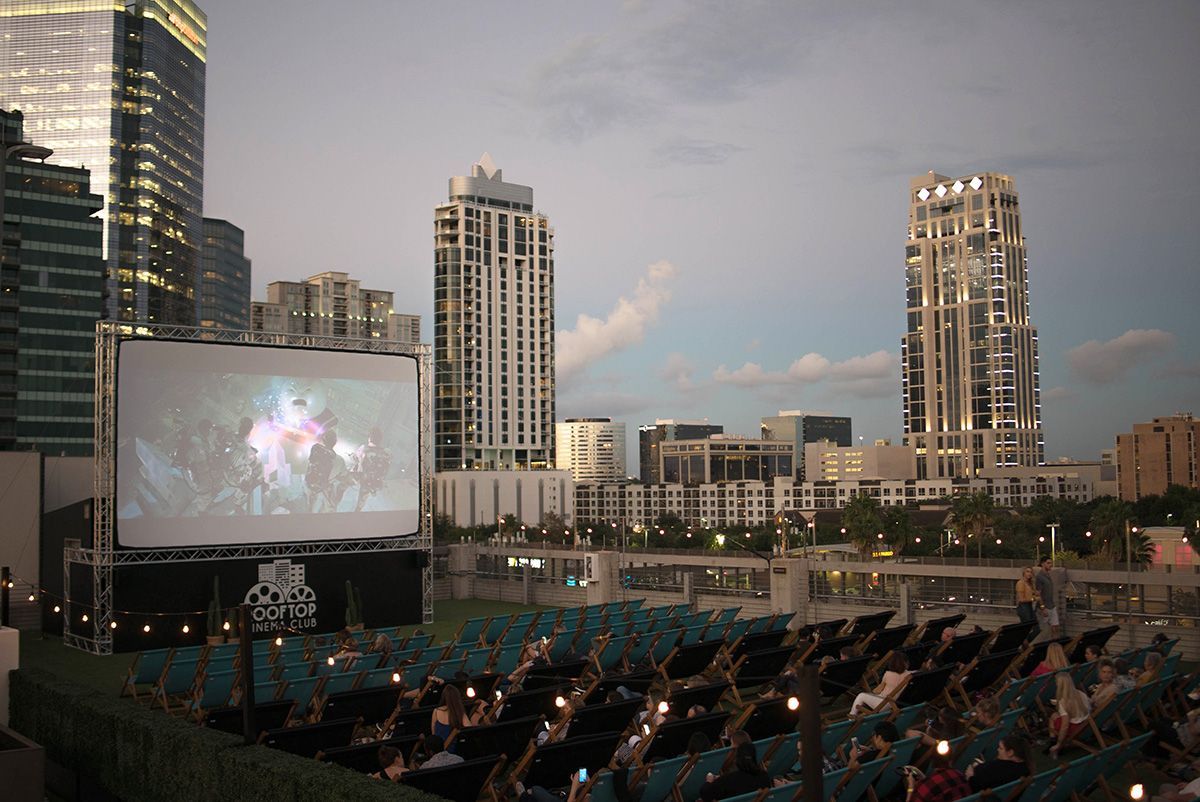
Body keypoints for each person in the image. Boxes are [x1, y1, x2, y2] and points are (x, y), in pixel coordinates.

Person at [699, 742, 770, 801]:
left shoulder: (728, 780)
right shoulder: (764, 776)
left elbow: (705, 793)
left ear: (737, 759)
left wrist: (709, 781)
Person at [966, 734, 1032, 792]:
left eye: (1000, 748)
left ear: (1010, 752)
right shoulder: (1025, 769)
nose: (997, 749)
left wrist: (970, 776)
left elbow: (975, 786)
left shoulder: (998, 768)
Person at [1048, 674, 1091, 758]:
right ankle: (1053, 742)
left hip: (1075, 728)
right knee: (1054, 715)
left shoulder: (1063, 701)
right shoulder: (1080, 693)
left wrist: (1059, 743)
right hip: (1086, 725)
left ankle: (1054, 744)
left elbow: (1065, 726)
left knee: (1053, 719)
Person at [906, 748, 971, 802]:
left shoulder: (925, 787)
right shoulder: (960, 776)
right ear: (950, 759)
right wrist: (924, 779)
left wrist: (911, 787)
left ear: (932, 761)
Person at [352, 427, 392, 512]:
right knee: (361, 503)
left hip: (361, 479)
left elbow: (354, 458)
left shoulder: (363, 449)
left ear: (370, 438)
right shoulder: (386, 453)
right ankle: (357, 511)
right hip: (375, 483)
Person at [1035, 556, 1060, 637]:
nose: (1050, 565)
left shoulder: (1048, 575)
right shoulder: (1039, 577)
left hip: (1051, 605)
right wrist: (1042, 607)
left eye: (1051, 563)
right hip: (1045, 606)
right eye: (1048, 563)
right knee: (1045, 629)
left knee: (1055, 627)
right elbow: (1038, 594)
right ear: (1042, 564)